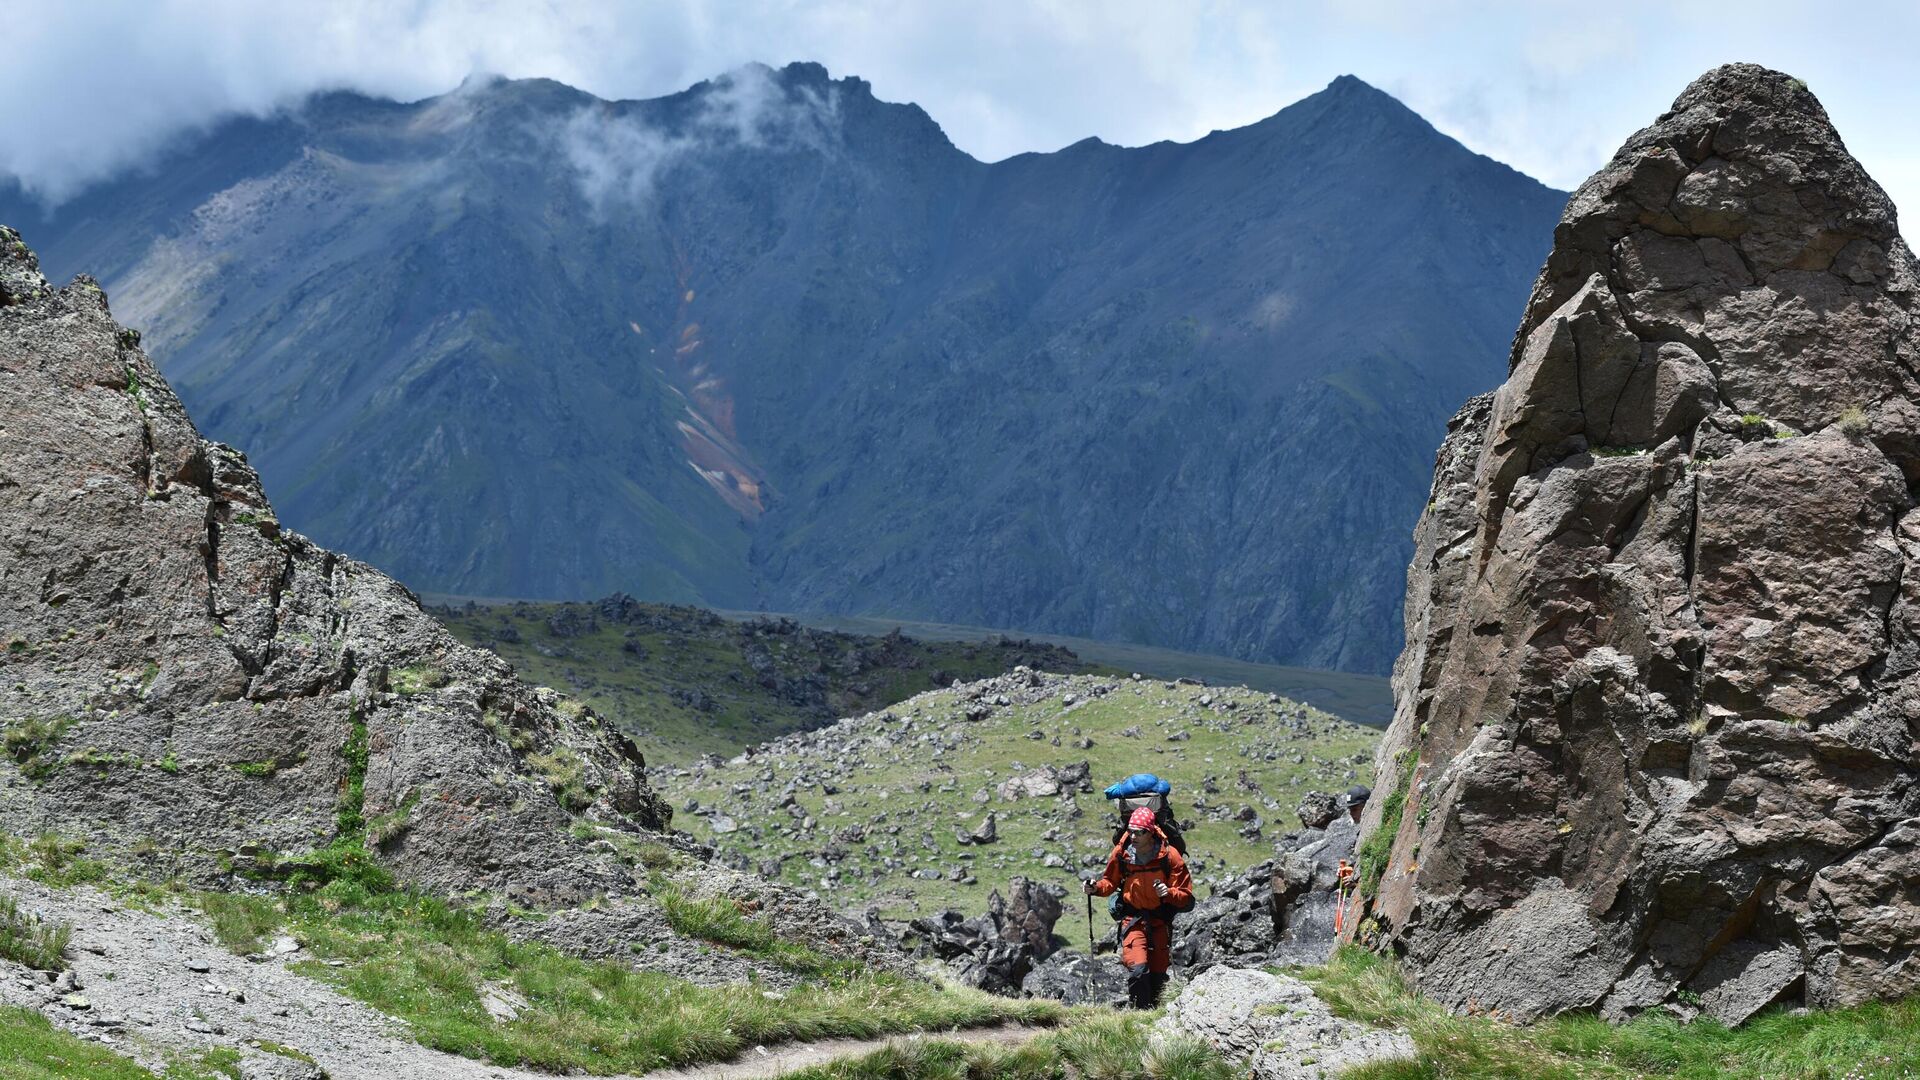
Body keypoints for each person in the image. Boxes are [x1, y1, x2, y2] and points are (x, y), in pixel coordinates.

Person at [1086, 806, 1193, 1008]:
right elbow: (1109, 881)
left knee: (1159, 975)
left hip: (1160, 921)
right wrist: (1095, 888)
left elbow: (1185, 896)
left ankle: (1156, 1014)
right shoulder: (1122, 852)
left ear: (1150, 831)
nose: (1132, 835)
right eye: (1131, 830)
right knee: (1138, 968)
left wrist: (1168, 893)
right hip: (1133, 920)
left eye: (1139, 832)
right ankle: (1139, 1014)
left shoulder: (1170, 856)